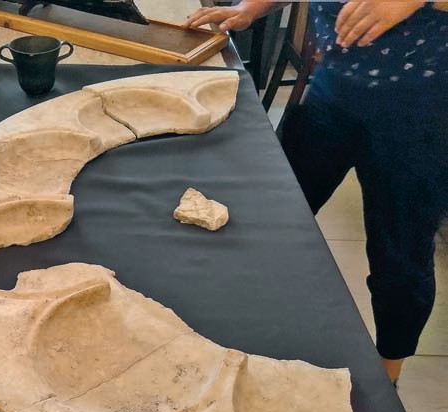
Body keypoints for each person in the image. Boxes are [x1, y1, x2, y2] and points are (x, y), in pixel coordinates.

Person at [184, 1, 448, 384]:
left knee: (400, 261)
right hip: (332, 92)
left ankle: (387, 377)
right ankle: (244, 329)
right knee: (267, 219)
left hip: (423, 114)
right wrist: (252, 8)